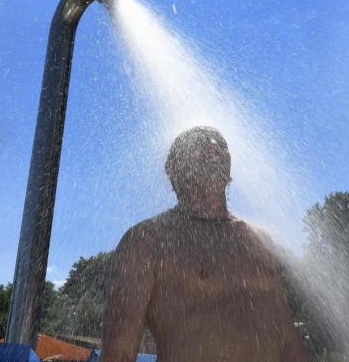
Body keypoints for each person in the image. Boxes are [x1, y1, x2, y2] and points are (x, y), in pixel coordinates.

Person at [101, 126, 308, 362]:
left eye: (220, 145)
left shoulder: (259, 241)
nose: (213, 148)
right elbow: (118, 352)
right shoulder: (146, 241)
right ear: (173, 167)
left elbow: (287, 337)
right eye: (200, 144)